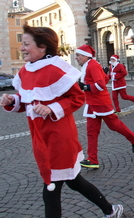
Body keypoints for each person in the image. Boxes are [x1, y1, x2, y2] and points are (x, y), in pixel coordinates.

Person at [0, 24, 123, 218]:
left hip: (59, 138)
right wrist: (12, 101)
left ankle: (110, 210)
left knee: (51, 188)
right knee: (74, 181)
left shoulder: (57, 68)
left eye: (25, 44)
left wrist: (51, 108)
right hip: (40, 137)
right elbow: (27, 100)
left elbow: (76, 98)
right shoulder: (24, 71)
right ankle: (110, 210)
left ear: (42, 47)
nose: (22, 48)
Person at [75, 44, 134, 169]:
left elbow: (101, 85)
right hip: (92, 103)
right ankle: (92, 159)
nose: (76, 58)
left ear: (85, 56)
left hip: (101, 102)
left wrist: (84, 87)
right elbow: (105, 79)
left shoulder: (93, 65)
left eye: (78, 55)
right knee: (91, 132)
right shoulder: (87, 66)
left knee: (114, 125)